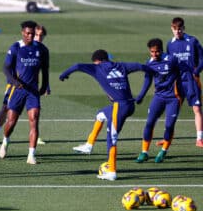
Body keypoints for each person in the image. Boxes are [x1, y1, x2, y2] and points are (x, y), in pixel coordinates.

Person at [59, 49, 152, 181]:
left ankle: (112, 171)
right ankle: (88, 145)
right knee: (101, 114)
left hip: (119, 107)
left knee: (111, 139)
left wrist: (64, 74)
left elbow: (77, 66)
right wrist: (142, 94)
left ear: (97, 61)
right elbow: (143, 67)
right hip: (129, 105)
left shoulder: (97, 68)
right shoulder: (122, 66)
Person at [135, 38, 196, 163]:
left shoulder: (172, 59)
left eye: (156, 52)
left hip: (174, 98)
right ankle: (144, 152)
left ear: (161, 50)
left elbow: (188, 72)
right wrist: (141, 95)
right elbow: (147, 80)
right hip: (158, 97)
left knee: (169, 125)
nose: (154, 54)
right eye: (151, 52)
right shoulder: (149, 63)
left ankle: (163, 151)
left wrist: (190, 90)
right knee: (149, 123)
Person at [0, 20, 49, 164]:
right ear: (22, 33)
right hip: (17, 90)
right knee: (11, 122)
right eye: (28, 33)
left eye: (33, 34)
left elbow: (45, 70)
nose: (31, 36)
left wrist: (45, 85)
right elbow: (6, 68)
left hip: (32, 92)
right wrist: (15, 82)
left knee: (34, 119)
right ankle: (5, 141)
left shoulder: (42, 50)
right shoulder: (15, 48)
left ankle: (31, 155)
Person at [165, 17, 203, 148]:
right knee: (173, 110)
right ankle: (168, 139)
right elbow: (169, 64)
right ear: (172, 29)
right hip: (177, 81)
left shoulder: (192, 41)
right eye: (175, 29)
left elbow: (202, 58)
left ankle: (199, 139)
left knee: (197, 108)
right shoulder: (170, 44)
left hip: (192, 81)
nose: (177, 32)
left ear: (183, 28)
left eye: (179, 29)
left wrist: (196, 71)